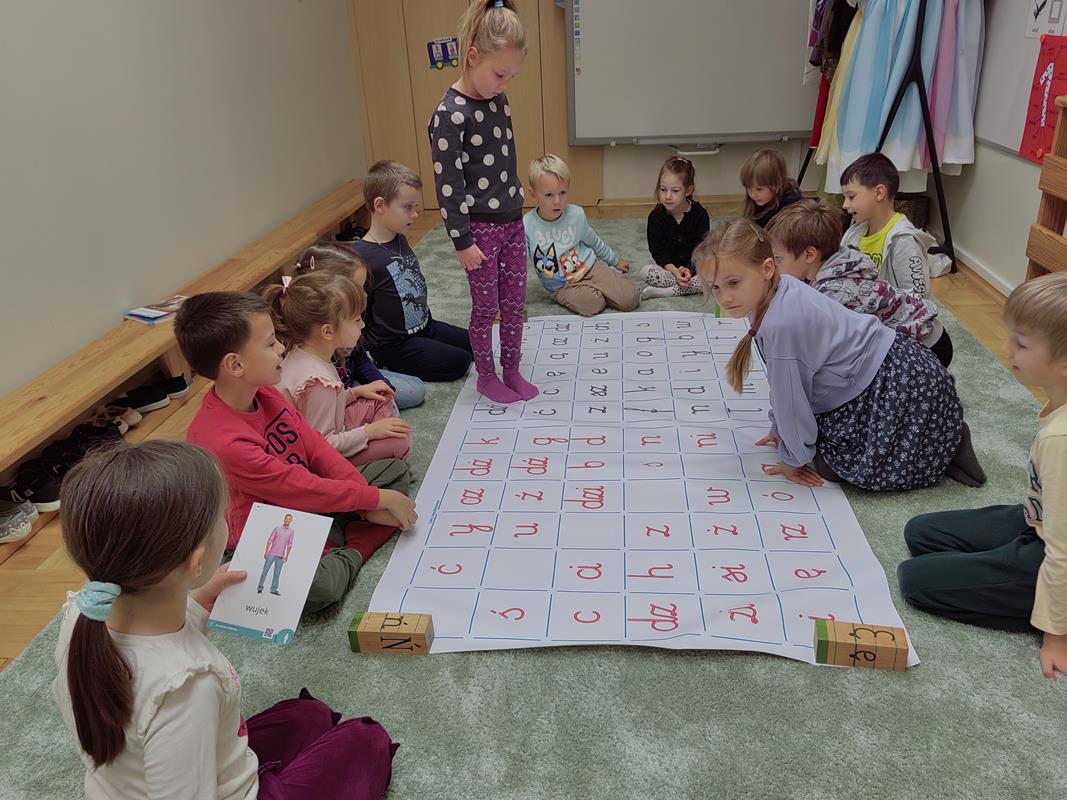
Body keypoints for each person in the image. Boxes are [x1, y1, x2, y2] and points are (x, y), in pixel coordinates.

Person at [52, 440, 398, 799]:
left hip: (144, 776)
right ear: (197, 562)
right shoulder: (186, 688)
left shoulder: (84, 611)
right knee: (367, 740)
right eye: (222, 515)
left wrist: (198, 599)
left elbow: (147, 650)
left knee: (309, 716)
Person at [693, 218, 985, 491]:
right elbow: (787, 387)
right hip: (902, 367)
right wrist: (779, 429)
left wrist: (793, 459)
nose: (724, 297)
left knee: (839, 465)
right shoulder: (781, 287)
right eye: (714, 287)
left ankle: (948, 440)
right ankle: (941, 434)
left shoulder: (781, 324)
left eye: (733, 283)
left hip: (902, 384)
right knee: (820, 436)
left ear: (768, 269)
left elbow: (791, 398)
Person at [175, 291, 417, 614]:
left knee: (393, 470)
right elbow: (296, 488)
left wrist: (365, 501)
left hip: (309, 502)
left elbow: (316, 449)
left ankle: (342, 528)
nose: (281, 349)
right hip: (269, 528)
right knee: (320, 587)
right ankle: (357, 544)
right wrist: (374, 501)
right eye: (270, 343)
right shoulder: (223, 440)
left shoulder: (265, 392)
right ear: (235, 364)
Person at [898, 273, 1067, 683]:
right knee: (920, 532)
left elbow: (1064, 552)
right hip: (1038, 520)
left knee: (915, 581)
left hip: (1055, 548)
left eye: (1021, 344)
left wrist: (1056, 636)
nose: (1007, 349)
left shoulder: (1062, 440)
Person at [428, 0, 537, 404]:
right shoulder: (450, 115)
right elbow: (449, 186)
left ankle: (512, 368)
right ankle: (487, 376)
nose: (504, 84)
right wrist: (462, 241)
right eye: (499, 74)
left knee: (515, 303)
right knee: (487, 306)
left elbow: (503, 158)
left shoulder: (498, 100)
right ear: (473, 56)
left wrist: (515, 199)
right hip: (479, 230)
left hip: (512, 220)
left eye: (511, 76)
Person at [766, 199, 952, 367]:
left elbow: (829, 348)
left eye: (778, 258)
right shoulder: (834, 260)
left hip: (928, 343)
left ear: (809, 255)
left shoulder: (835, 294)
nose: (775, 265)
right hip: (923, 330)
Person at [265, 270, 413, 468]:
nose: (363, 324)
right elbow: (322, 446)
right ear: (328, 331)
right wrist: (369, 432)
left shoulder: (307, 353)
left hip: (333, 429)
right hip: (319, 457)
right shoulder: (316, 382)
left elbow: (326, 407)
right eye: (356, 319)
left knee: (382, 397)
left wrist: (355, 393)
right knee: (400, 441)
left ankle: (374, 450)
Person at [349, 163, 475, 384]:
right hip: (394, 343)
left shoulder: (399, 238)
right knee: (461, 362)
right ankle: (388, 364)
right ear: (380, 205)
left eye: (415, 206)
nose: (415, 214)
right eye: (407, 207)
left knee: (478, 345)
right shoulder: (361, 256)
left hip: (425, 326)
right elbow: (357, 307)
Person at [294, 243, 426, 410]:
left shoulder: (347, 320)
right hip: (337, 394)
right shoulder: (316, 338)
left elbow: (360, 358)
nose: (364, 294)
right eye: (357, 288)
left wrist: (381, 383)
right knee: (385, 407)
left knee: (414, 389)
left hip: (352, 381)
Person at [523, 153, 639, 316]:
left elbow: (593, 241)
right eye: (549, 195)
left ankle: (610, 279)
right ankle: (602, 290)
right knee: (593, 304)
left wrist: (614, 260)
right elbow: (518, 265)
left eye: (563, 193)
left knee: (630, 298)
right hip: (563, 286)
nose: (557, 201)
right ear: (533, 193)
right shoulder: (526, 225)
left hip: (591, 267)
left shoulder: (576, 215)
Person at [840, 151, 936, 298]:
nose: (845, 205)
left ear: (879, 193)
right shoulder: (853, 234)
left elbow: (917, 298)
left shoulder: (904, 241)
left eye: (851, 196)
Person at [640, 156, 711, 299]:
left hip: (696, 270)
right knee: (645, 272)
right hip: (669, 270)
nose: (667, 196)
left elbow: (702, 249)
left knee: (715, 274)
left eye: (675, 190)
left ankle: (669, 291)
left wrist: (689, 271)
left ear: (688, 190)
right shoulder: (655, 217)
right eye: (663, 189)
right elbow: (658, 252)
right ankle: (682, 284)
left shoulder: (700, 214)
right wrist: (675, 271)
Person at [740, 148, 803, 228]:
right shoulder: (762, 199)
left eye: (759, 189)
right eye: (748, 188)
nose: (752, 194)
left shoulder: (791, 207)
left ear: (777, 183)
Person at [258, 513, 294, 595]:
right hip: (271, 554)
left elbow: (290, 544)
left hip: (281, 556)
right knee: (265, 571)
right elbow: (270, 540)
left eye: (289, 519)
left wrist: (287, 556)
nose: (287, 520)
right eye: (286, 518)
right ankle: (260, 587)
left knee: (277, 574)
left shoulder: (291, 531)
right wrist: (266, 552)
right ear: (284, 519)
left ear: (291, 521)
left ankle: (273, 590)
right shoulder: (277, 528)